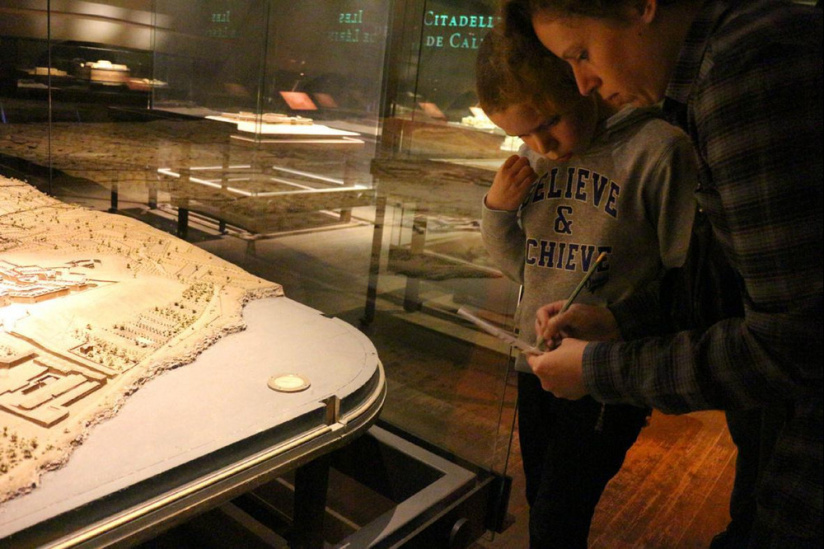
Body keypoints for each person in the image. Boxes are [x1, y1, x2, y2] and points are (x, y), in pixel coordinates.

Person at [500, 1, 823, 547]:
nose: (582, 84)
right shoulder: (717, 73)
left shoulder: (747, 68)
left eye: (582, 53)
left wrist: (601, 371)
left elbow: (792, 345)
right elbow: (727, 282)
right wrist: (617, 320)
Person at [475, 27, 699, 548]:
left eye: (548, 123)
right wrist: (497, 210)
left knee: (561, 510)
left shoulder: (658, 150)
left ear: (583, 82)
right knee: (542, 496)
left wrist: (624, 323)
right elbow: (522, 266)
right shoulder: (536, 163)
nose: (541, 146)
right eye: (522, 135)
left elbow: (684, 276)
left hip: (609, 367)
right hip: (536, 357)